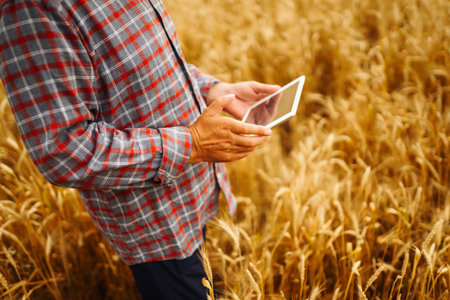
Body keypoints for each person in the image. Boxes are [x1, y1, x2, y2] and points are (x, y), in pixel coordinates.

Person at [0, 0, 279, 298]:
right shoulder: (33, 9)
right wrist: (193, 144)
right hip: (159, 228)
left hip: (202, 194)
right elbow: (63, 151)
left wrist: (212, 89)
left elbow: (148, 67)